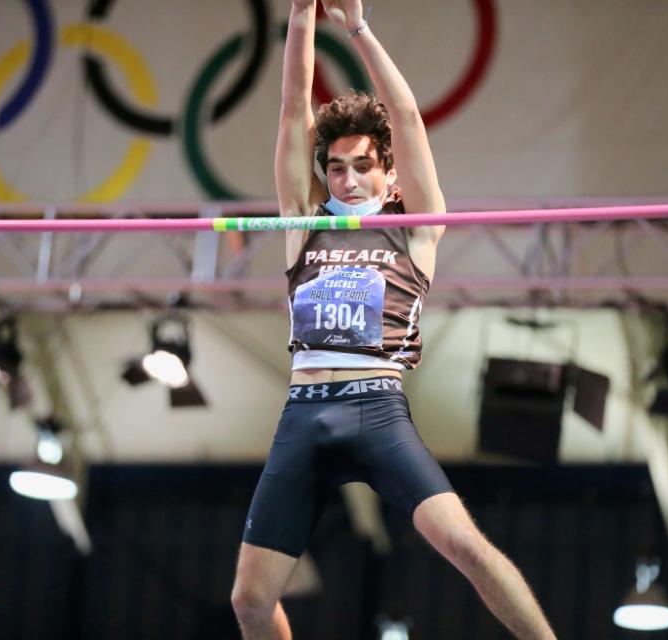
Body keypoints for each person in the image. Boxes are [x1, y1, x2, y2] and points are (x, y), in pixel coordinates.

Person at [230, 2, 558, 639]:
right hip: (303, 414)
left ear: (388, 171)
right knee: (248, 600)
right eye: (336, 168)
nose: (348, 181)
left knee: (465, 546)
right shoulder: (304, 225)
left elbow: (406, 118)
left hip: (376, 410)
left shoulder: (415, 228)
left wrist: (356, 26)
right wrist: (300, 15)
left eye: (362, 166)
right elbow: (294, 107)